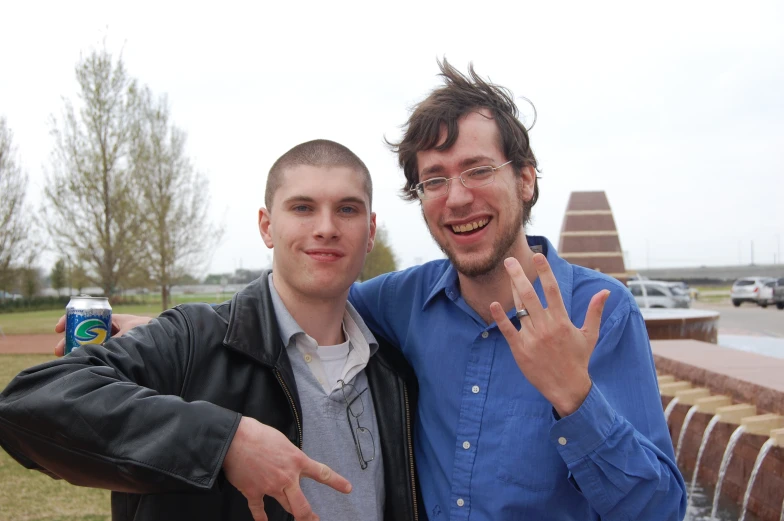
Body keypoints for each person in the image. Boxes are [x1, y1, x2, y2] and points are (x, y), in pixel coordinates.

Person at [54, 61, 688, 519]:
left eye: (477, 169)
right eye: (434, 179)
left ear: (525, 180)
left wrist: (575, 399)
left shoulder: (602, 313)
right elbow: (294, 300)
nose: (457, 196)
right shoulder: (399, 304)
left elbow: (659, 509)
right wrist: (156, 329)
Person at [0, 140, 423, 521]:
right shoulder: (191, 339)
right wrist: (225, 443)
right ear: (266, 226)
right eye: (302, 207)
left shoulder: (395, 371)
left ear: (369, 232)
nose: (326, 227)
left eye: (347, 209)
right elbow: (27, 404)